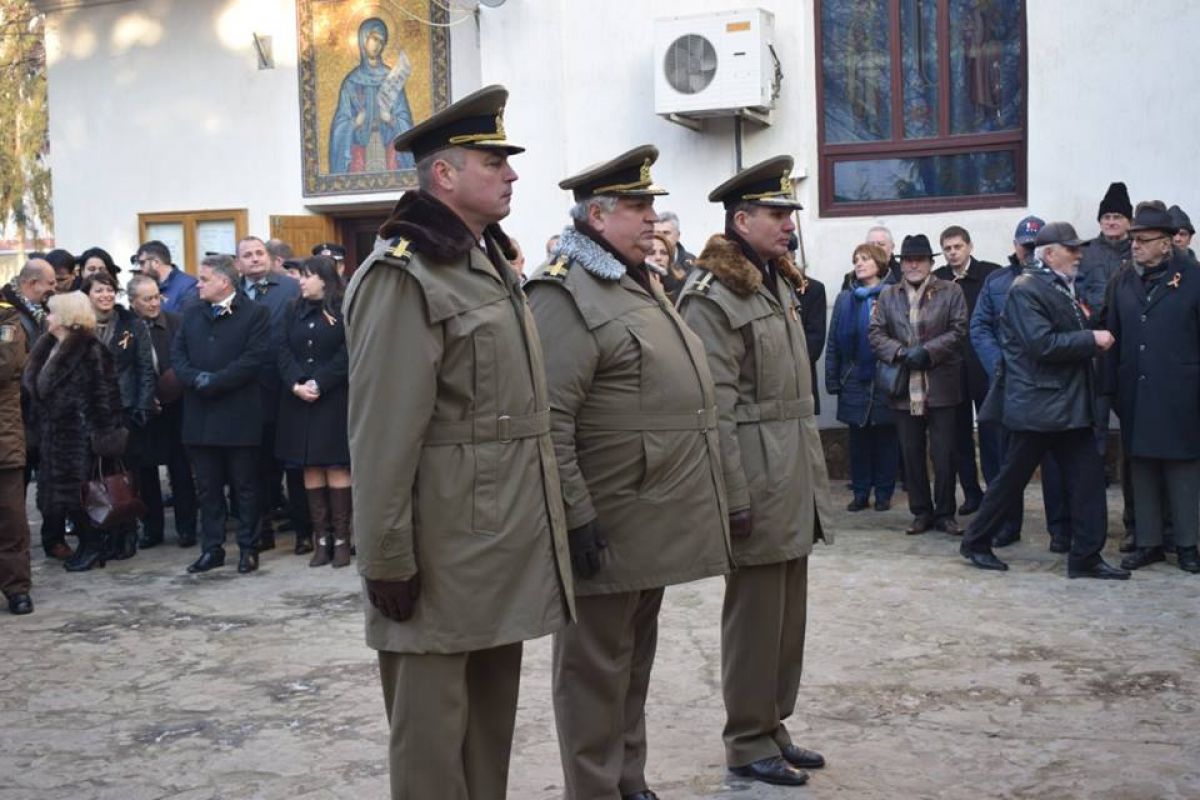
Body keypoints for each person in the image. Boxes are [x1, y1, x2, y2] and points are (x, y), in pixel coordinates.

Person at [343, 84, 572, 800]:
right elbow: (383, 432)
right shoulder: (403, 273)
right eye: (493, 162)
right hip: (439, 544)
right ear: (443, 174)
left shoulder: (485, 262)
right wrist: (386, 555)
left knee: (488, 723)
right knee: (432, 733)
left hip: (496, 537)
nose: (511, 174)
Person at [527, 145, 729, 800]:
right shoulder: (564, 291)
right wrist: (576, 516)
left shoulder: (634, 280)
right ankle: (593, 788)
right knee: (592, 673)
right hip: (605, 520)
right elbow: (549, 420)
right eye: (637, 206)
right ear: (597, 215)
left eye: (651, 205)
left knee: (632, 664)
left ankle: (627, 780)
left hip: (647, 520)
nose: (652, 218)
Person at [678, 155, 830, 788]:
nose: (789, 224)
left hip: (791, 471)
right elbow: (714, 408)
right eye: (777, 214)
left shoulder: (775, 282)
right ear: (742, 221)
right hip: (756, 479)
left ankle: (772, 725)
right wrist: (733, 496)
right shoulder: (715, 295)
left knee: (787, 617)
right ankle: (746, 739)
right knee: (755, 618)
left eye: (790, 213)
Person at [959, 222, 1128, 580]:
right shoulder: (1027, 289)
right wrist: (1091, 339)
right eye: (1072, 249)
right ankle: (976, 541)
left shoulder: (1059, 285)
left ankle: (1086, 555)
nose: (1079, 254)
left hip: (1065, 404)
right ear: (1049, 254)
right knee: (1011, 479)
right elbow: (1042, 345)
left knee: (1087, 480)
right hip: (1038, 405)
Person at [1107, 204, 1200, 574]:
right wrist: (1109, 388)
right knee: (1142, 467)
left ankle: (1187, 545)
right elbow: (1112, 335)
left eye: (1144, 240)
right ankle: (1149, 543)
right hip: (1136, 391)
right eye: (1134, 240)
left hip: (1181, 392)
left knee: (1182, 469)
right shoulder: (1123, 280)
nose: (1136, 246)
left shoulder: (1193, 279)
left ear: (1166, 243)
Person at [173, 254, 271, 575]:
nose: (198, 285)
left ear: (224, 281)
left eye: (204, 279)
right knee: (208, 488)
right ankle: (212, 548)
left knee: (245, 487)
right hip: (200, 416)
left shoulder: (255, 313)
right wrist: (194, 378)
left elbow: (253, 358)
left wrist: (217, 381)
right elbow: (178, 354)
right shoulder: (192, 313)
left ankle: (248, 547)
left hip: (238, 414)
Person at [869, 234, 967, 535]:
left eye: (919, 260)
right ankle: (921, 512)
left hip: (941, 385)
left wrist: (928, 351)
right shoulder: (888, 295)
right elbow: (876, 333)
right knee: (911, 454)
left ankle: (945, 513)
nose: (913, 265)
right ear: (901, 264)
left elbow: (959, 329)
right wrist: (901, 352)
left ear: (930, 263)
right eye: (908, 260)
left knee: (944, 454)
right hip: (903, 387)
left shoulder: (951, 291)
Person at [22, 291, 126, 572]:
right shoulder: (49, 345)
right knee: (61, 498)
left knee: (82, 497)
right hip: (52, 437)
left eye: (53, 313)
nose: (48, 318)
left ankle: (93, 546)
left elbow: (102, 396)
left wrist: (103, 438)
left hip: (79, 438)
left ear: (67, 317)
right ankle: (88, 546)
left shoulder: (89, 349)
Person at [970, 215, 1052, 549]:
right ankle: (1006, 524)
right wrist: (1000, 366)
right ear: (1015, 245)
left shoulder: (1060, 279)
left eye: (1035, 246)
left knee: (1055, 462)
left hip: (1049, 384)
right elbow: (979, 327)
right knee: (1005, 461)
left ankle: (1061, 530)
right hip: (1008, 383)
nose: (1029, 251)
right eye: (1024, 245)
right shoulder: (996, 281)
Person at [275, 256, 351, 568]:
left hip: (333, 399)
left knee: (336, 465)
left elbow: (348, 351)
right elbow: (281, 348)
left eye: (307, 276)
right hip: (299, 400)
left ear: (324, 278)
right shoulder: (292, 309)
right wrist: (296, 383)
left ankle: (342, 539)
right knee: (310, 466)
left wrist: (320, 382)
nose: (301, 281)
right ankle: (322, 539)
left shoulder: (344, 307)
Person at [237, 235, 305, 553]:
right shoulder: (232, 292)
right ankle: (262, 529)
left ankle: (304, 528)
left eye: (259, 253)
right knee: (256, 466)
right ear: (238, 263)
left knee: (294, 463)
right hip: (248, 391)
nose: (255, 258)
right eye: (248, 255)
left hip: (286, 387)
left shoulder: (290, 288)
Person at [83, 272, 156, 560]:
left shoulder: (130, 324)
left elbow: (144, 367)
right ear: (87, 295)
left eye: (109, 290)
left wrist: (143, 405)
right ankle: (100, 531)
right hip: (91, 413)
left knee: (125, 475)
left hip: (124, 410)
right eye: (98, 291)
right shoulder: (80, 326)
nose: (105, 296)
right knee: (95, 476)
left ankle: (126, 533)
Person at [933, 225, 1002, 516]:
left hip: (984, 367)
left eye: (957, 247)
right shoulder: (938, 279)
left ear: (970, 246)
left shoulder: (990, 274)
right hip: (951, 367)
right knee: (959, 434)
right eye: (947, 248)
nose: (953, 253)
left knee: (991, 433)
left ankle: (997, 496)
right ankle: (972, 492)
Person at [127, 274, 197, 548]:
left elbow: (186, 359)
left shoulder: (176, 322)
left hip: (175, 407)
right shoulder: (127, 328)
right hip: (143, 410)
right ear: (133, 301)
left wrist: (170, 389)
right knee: (146, 473)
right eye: (147, 299)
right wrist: (144, 398)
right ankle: (151, 529)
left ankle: (187, 528)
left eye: (157, 297)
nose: (154, 303)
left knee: (180, 469)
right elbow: (123, 367)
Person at [828, 243, 898, 511]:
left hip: (885, 377)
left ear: (879, 264)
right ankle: (860, 492)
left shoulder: (893, 294)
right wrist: (833, 379)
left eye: (865, 259)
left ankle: (884, 493)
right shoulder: (845, 298)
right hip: (854, 377)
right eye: (856, 259)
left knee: (886, 439)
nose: (858, 263)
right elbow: (833, 342)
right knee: (858, 441)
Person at [329, 17, 415, 174]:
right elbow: (339, 126)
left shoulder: (392, 78)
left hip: (389, 150)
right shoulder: (351, 82)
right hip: (359, 152)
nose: (378, 45)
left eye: (382, 41)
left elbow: (405, 121)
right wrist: (355, 123)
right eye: (374, 39)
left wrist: (390, 119)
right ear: (364, 38)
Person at [0, 293, 31, 613]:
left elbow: (5, 364)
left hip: (3, 442)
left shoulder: (6, 318)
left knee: (11, 520)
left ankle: (17, 588)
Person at [136, 240, 199, 313]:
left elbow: (187, 318)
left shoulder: (189, 286)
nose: (141, 268)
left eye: (142, 263)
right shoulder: (149, 286)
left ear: (156, 262)